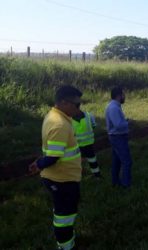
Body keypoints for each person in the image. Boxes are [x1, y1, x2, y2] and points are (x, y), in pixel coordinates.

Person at [28, 85, 83, 250]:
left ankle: (68, 240)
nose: (79, 108)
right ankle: (66, 246)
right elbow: (53, 157)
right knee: (64, 216)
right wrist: (38, 164)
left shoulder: (54, 116)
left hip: (63, 177)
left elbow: (53, 150)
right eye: (77, 104)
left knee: (65, 212)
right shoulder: (60, 125)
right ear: (65, 103)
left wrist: (39, 161)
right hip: (62, 179)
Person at [105, 86, 132, 188]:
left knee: (117, 161)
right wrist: (128, 123)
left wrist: (125, 122)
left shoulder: (115, 106)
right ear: (119, 95)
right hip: (118, 137)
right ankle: (126, 185)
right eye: (123, 94)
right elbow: (118, 125)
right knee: (127, 161)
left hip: (117, 137)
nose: (124, 96)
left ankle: (115, 182)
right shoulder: (113, 108)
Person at [72, 110, 102, 178]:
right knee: (91, 159)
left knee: (81, 160)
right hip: (86, 143)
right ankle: (97, 175)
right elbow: (93, 126)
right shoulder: (89, 115)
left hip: (79, 144)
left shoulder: (69, 118)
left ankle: (82, 175)